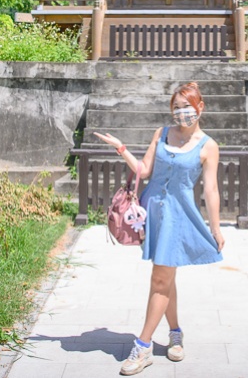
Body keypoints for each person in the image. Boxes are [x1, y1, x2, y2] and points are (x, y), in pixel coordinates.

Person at [94, 81, 225, 376]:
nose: (181, 112)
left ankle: (143, 346)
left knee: (160, 280)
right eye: (176, 107)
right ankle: (175, 333)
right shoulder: (162, 134)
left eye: (186, 106)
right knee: (166, 277)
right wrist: (121, 148)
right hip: (152, 215)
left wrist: (215, 229)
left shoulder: (208, 146)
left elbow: (212, 190)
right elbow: (145, 170)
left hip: (179, 219)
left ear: (200, 107)